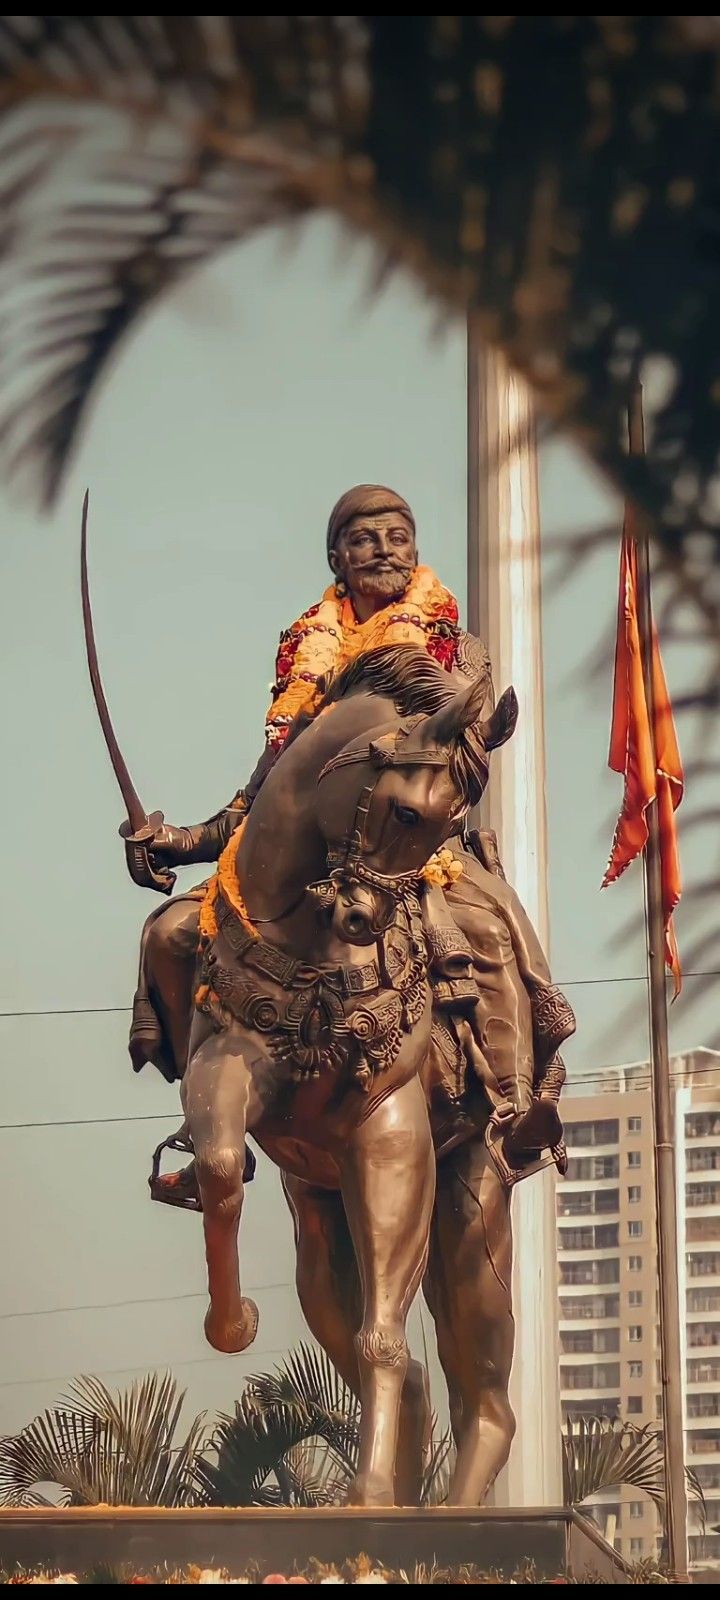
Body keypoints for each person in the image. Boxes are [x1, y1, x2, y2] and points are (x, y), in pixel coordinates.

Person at [128, 484, 574, 1201]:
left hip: (415, 848)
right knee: (172, 934)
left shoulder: (454, 650)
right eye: (365, 538)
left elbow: (467, 761)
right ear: (336, 556)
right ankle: (209, 1127)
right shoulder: (308, 659)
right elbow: (263, 799)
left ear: (416, 550)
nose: (384, 550)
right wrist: (177, 841)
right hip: (307, 867)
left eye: (397, 536)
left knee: (488, 930)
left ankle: (511, 1108)